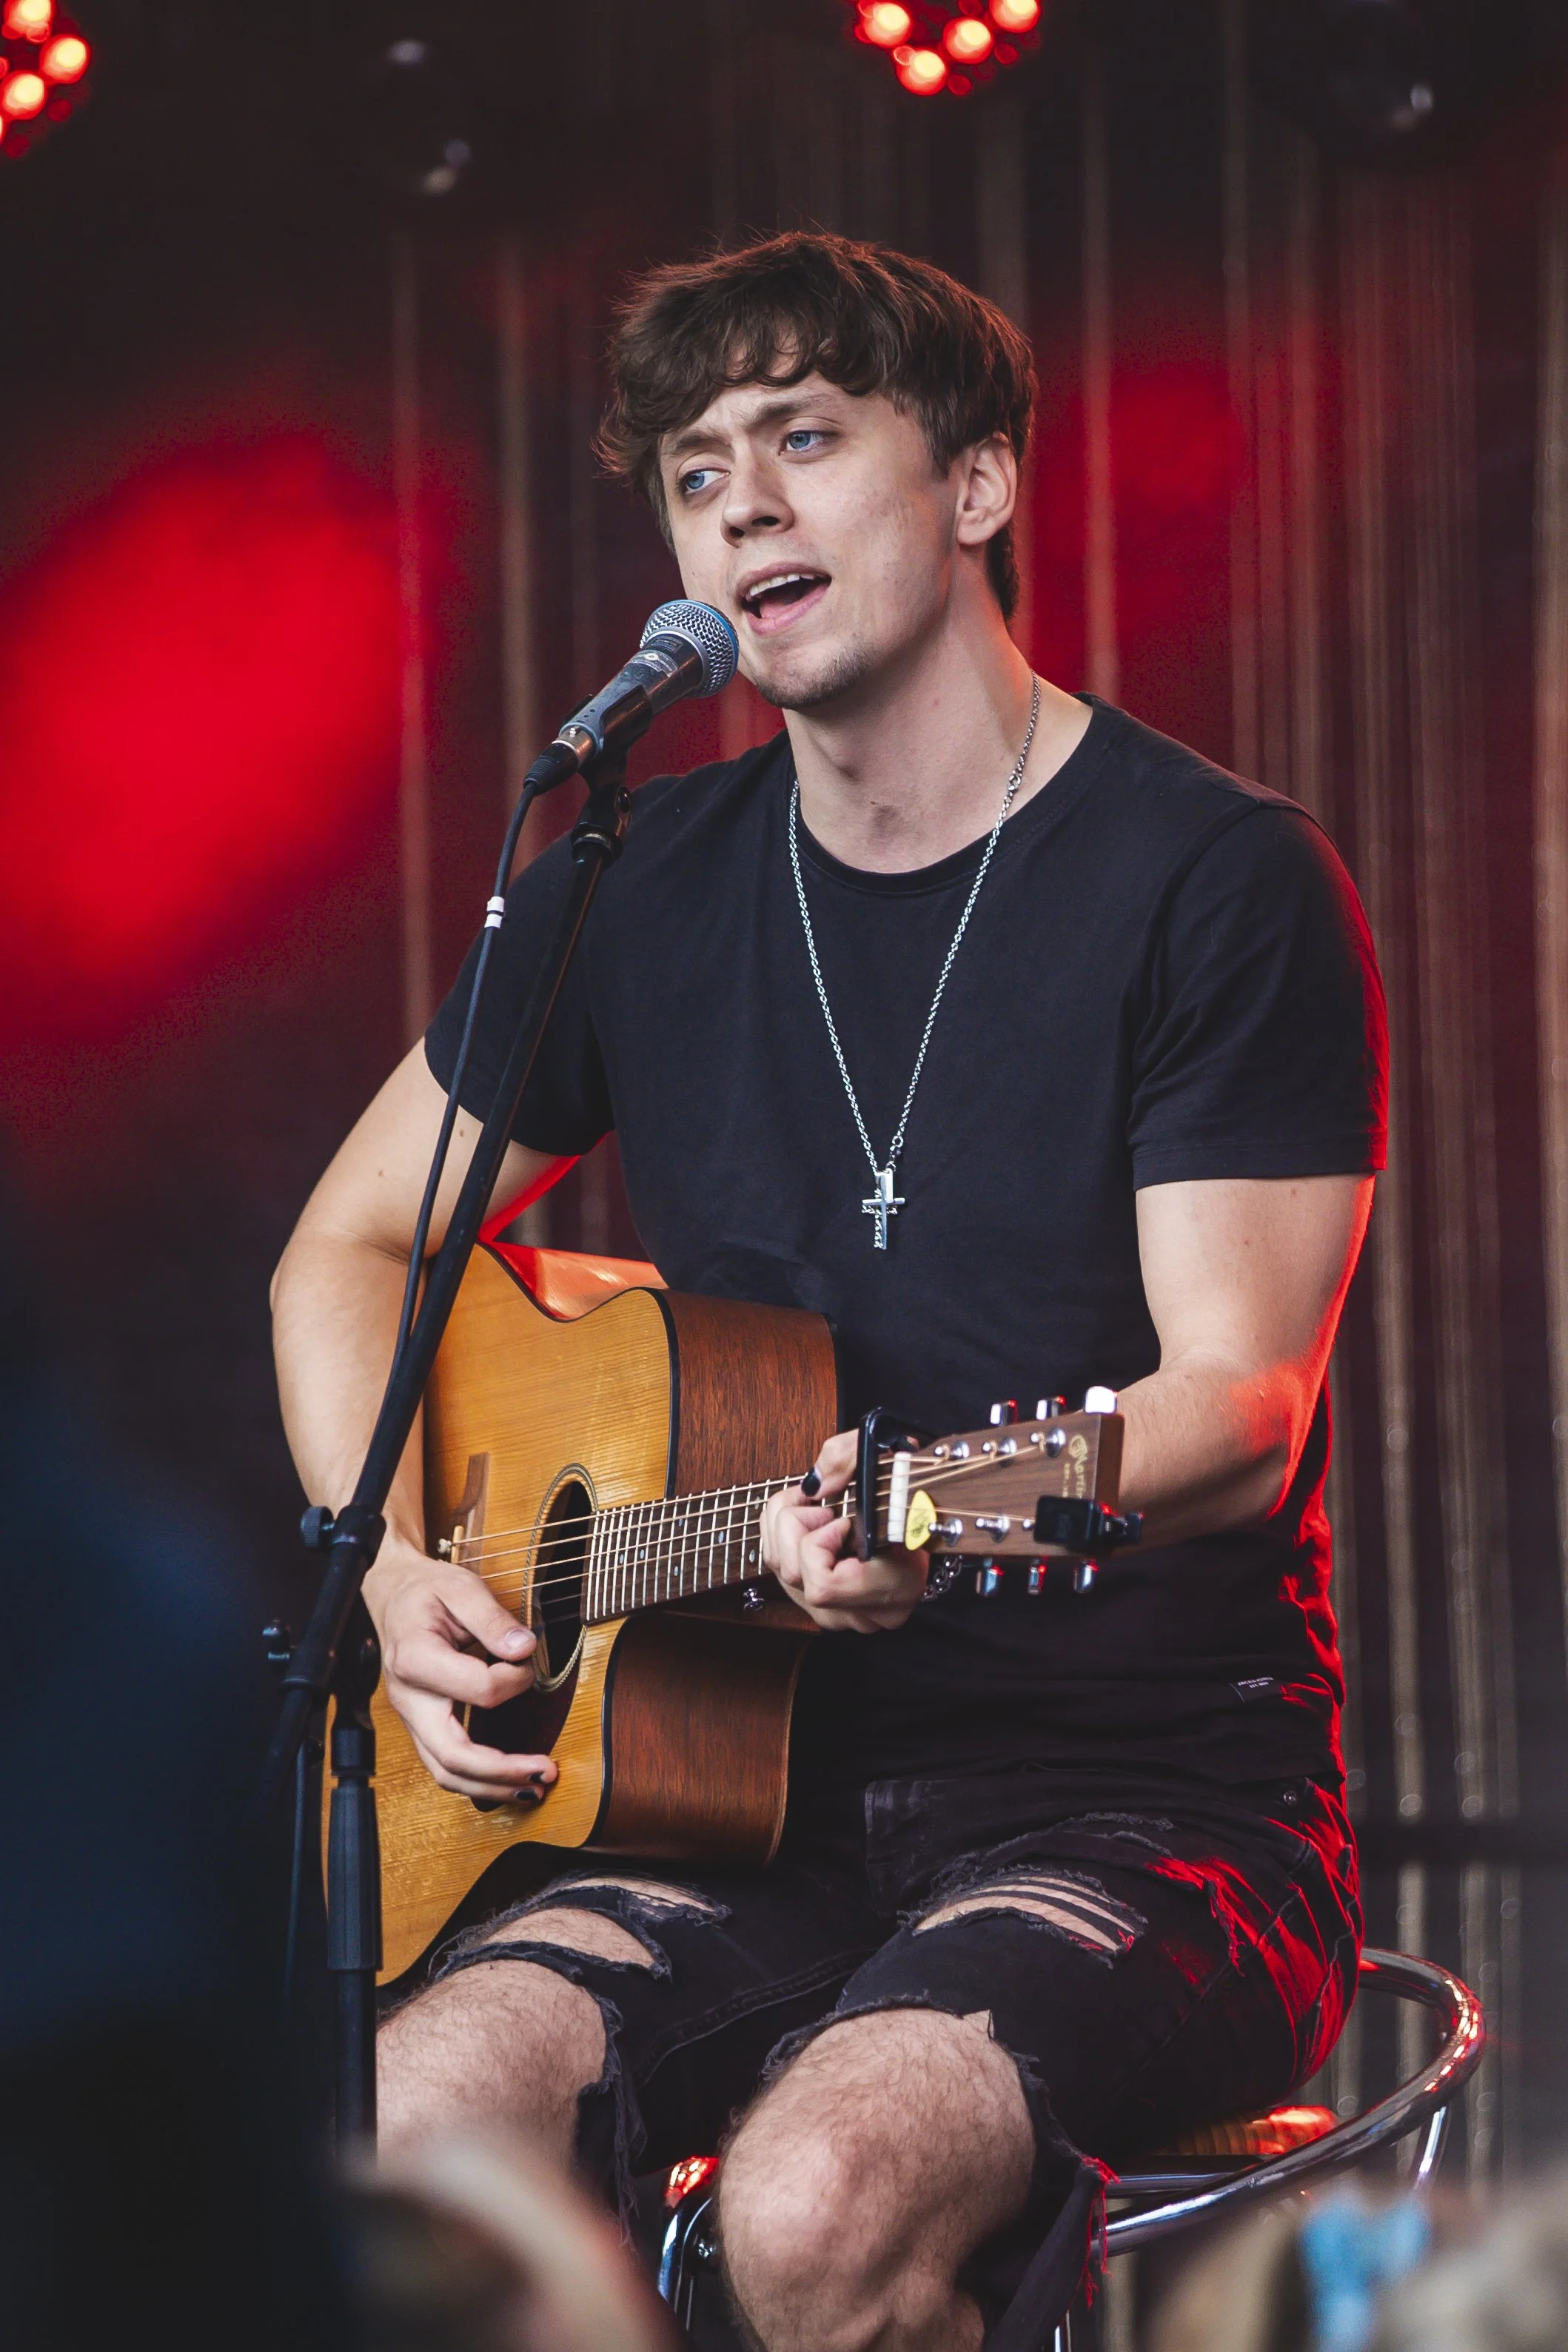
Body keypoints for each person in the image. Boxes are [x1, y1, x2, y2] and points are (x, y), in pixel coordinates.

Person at [272, 231, 1386, 2352]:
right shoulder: (631, 882)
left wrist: (918, 1512)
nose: (740, 506)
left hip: (1149, 1809)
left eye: (802, 437)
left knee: (819, 2202)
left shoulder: (1214, 879)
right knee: (401, 2147)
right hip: (737, 1804)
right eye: (696, 473)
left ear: (975, 481)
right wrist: (396, 1564)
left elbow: (1243, 1411)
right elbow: (348, 1244)